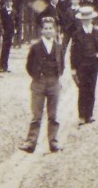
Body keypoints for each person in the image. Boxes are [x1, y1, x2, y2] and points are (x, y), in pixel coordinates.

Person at [19, 16, 65, 153]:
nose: (49, 31)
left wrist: (56, 76)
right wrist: (37, 77)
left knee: (53, 115)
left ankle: (53, 141)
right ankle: (31, 142)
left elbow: (62, 64)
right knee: (36, 115)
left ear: (55, 30)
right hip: (39, 82)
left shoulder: (58, 47)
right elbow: (29, 65)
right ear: (41, 30)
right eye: (46, 28)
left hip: (53, 82)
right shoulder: (36, 47)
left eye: (51, 28)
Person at [68, 4, 98, 125]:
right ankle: (81, 115)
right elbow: (73, 53)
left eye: (88, 19)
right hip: (82, 65)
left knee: (91, 89)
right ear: (81, 20)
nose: (86, 21)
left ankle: (89, 115)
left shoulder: (97, 33)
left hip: (93, 65)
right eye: (84, 19)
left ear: (91, 19)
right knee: (82, 90)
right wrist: (73, 68)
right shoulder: (77, 34)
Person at [0, 0, 16, 73]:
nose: (9, 3)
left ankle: (5, 66)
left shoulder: (14, 11)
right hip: (3, 33)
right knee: (2, 49)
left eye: (10, 1)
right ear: (5, 2)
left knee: (7, 50)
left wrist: (16, 29)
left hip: (10, 33)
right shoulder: (1, 11)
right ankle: (1, 66)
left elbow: (17, 22)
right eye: (7, 1)